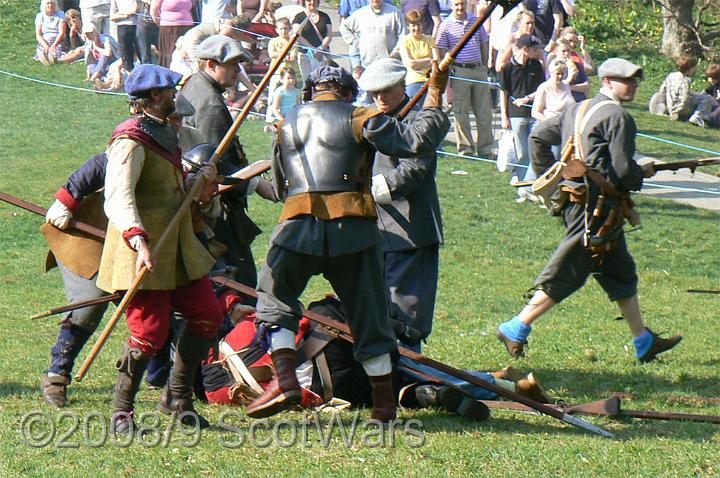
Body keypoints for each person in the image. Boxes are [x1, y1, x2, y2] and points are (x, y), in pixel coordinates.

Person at [245, 64, 450, 422]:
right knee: (370, 316)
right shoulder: (361, 117)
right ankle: (384, 405)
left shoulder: (287, 122)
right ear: (349, 92)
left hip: (296, 226)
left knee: (274, 300)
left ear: (311, 90)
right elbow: (418, 141)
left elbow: (279, 189)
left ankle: (285, 378)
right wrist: (434, 94)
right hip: (353, 229)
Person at [496, 58, 683, 363]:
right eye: (627, 80)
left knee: (620, 271)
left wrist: (554, 185)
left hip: (583, 205)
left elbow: (538, 138)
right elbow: (622, 172)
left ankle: (643, 341)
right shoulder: (619, 117)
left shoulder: (577, 108)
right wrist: (641, 174)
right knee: (570, 271)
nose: (633, 85)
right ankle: (515, 327)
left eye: (635, 80)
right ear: (607, 81)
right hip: (596, 211)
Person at [98, 64, 225, 434]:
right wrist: (138, 240)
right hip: (143, 248)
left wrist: (194, 181)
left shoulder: (164, 132)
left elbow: (165, 187)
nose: (176, 95)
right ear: (154, 96)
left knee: (207, 316)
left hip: (177, 248)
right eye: (170, 90)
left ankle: (177, 399)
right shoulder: (130, 139)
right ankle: (122, 413)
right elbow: (117, 196)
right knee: (148, 334)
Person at [355, 58, 443, 352]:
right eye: (374, 93)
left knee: (407, 309)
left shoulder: (419, 122)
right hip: (375, 228)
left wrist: (369, 190)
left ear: (402, 87)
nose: (379, 98)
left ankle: (410, 365)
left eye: (386, 91)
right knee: (378, 302)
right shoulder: (371, 120)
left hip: (410, 229)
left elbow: (413, 171)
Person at [178, 35, 269, 289]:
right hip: (217, 205)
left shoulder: (196, 85)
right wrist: (255, 185)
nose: (237, 71)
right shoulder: (211, 104)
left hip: (205, 200)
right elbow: (212, 165)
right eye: (232, 64)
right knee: (241, 282)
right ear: (211, 65)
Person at [435, 0, 493, 157]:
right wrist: (447, 67)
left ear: (466, 4)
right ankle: (466, 149)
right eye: (456, 5)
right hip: (460, 71)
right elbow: (440, 48)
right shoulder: (446, 25)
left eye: (462, 4)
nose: (460, 8)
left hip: (478, 69)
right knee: (461, 112)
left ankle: (485, 149)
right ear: (451, 6)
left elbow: (484, 43)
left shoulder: (475, 20)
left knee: (484, 112)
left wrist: (484, 66)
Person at [499, 34, 544, 201]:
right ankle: (522, 186)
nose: (537, 52)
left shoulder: (536, 66)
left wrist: (527, 99)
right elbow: (503, 93)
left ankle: (531, 186)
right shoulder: (507, 69)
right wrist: (505, 115)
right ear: (525, 49)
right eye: (534, 49)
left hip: (533, 113)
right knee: (522, 152)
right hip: (516, 115)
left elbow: (541, 89)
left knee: (534, 150)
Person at [649, 54, 716, 129]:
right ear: (690, 68)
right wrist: (676, 111)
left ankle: (662, 110)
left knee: (701, 96)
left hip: (670, 105)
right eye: (694, 68)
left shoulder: (671, 75)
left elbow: (662, 90)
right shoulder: (685, 80)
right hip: (680, 109)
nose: (695, 70)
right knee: (707, 99)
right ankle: (697, 117)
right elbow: (683, 97)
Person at [340, 0, 404, 72]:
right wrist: (356, 43)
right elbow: (344, 27)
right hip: (367, 66)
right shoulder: (360, 14)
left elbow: (403, 36)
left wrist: (393, 55)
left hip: (390, 65)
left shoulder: (395, 12)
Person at [399, 10, 439, 101]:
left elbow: (436, 61)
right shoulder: (405, 42)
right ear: (408, 26)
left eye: (419, 24)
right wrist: (428, 60)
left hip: (431, 81)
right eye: (413, 25)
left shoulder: (429, 39)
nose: (417, 28)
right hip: (413, 82)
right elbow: (410, 64)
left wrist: (420, 63)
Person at [293, 0, 333, 79]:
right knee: (307, 80)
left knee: (323, 79)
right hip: (305, 54)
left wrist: (320, 49)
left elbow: (329, 35)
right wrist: (312, 49)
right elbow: (297, 35)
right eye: (309, 0)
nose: (312, 2)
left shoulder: (325, 16)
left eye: (314, 0)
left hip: (321, 54)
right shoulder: (299, 17)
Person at [150, 0, 195, 67]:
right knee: (170, 55)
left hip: (187, 28)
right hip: (169, 29)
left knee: (186, 54)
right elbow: (153, 12)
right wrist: (162, 23)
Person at [35, 0, 67, 65]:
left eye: (52, 3)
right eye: (48, 3)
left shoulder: (60, 14)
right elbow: (38, 35)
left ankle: (53, 58)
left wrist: (54, 44)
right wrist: (45, 45)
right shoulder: (40, 16)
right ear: (44, 5)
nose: (50, 5)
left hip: (57, 39)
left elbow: (62, 32)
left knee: (56, 52)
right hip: (45, 40)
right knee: (44, 50)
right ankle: (46, 58)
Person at [111, 0, 139, 72]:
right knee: (126, 55)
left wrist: (122, 13)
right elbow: (112, 16)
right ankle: (129, 75)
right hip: (123, 26)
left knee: (141, 52)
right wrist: (125, 15)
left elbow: (136, 9)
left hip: (138, 25)